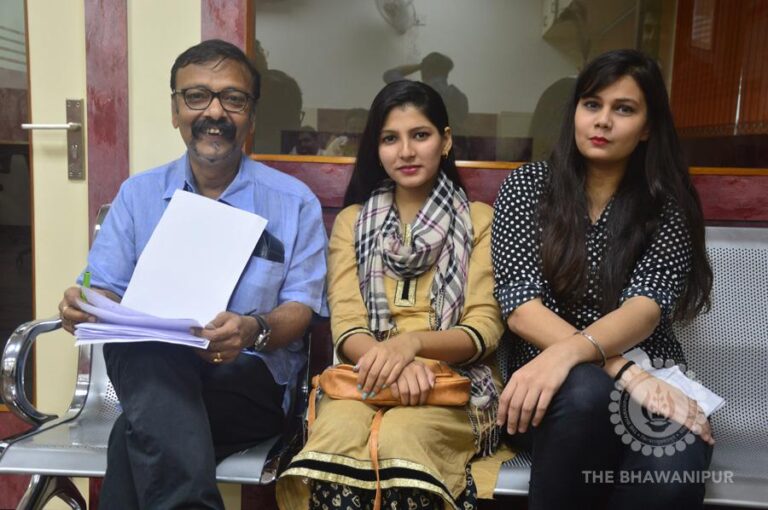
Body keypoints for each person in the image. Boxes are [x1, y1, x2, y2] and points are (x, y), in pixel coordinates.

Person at [57, 39, 327, 509]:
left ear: (251, 116)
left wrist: (253, 329)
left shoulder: (294, 201)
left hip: (245, 382)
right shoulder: (138, 195)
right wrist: (84, 304)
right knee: (146, 357)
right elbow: (100, 289)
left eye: (233, 99)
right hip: (151, 369)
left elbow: (302, 308)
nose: (215, 112)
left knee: (134, 431)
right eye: (197, 96)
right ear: (175, 111)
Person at [492, 49, 714, 509]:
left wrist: (634, 375)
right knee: (586, 392)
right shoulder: (527, 186)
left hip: (650, 374)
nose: (603, 121)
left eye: (624, 109)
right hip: (548, 385)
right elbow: (521, 306)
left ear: (648, 127)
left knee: (672, 472)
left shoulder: (667, 201)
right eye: (592, 104)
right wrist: (619, 369)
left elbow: (646, 306)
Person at [278, 80, 504, 510]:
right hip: (367, 379)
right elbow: (348, 327)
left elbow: (483, 329)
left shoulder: (479, 221)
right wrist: (394, 368)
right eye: (390, 139)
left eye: (420, 135)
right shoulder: (353, 222)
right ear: (376, 149)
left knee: (403, 436)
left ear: (445, 141)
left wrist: (411, 345)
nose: (406, 151)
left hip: (452, 384)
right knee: (338, 433)